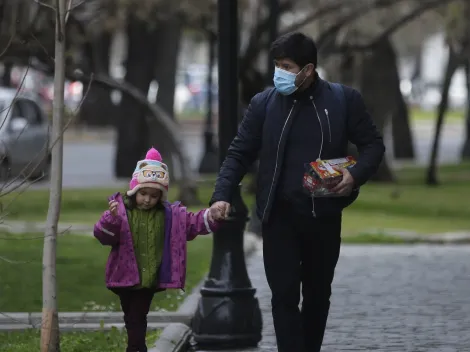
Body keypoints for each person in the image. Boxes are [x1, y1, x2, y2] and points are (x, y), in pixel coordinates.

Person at [209, 32, 385, 352]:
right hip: (279, 217)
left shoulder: (343, 100)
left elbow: (373, 145)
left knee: (318, 295)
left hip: (324, 216)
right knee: (284, 295)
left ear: (308, 69)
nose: (280, 72)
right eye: (277, 65)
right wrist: (221, 194)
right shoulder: (263, 104)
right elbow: (239, 153)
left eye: (287, 66)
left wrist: (355, 175)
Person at [93, 147, 219, 352]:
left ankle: (136, 348)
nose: (147, 199)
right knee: (131, 316)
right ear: (134, 190)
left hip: (148, 279)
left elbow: (193, 223)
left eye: (153, 195)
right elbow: (102, 236)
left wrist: (211, 216)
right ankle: (136, 345)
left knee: (138, 315)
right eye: (143, 193)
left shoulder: (170, 215)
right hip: (124, 275)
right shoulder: (121, 211)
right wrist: (111, 219)